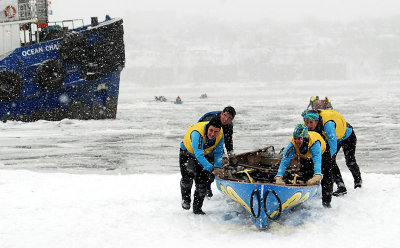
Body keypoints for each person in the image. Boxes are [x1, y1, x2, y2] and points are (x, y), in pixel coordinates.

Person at [302, 110, 362, 197]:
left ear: (317, 121)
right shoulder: (308, 125)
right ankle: (341, 186)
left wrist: (328, 158)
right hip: (335, 138)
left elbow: (332, 144)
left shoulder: (328, 124)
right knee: (330, 161)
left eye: (311, 122)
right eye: (306, 122)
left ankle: (358, 182)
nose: (308, 125)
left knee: (349, 161)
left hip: (348, 136)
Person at [275, 124, 333, 208]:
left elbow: (317, 160)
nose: (297, 141)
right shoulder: (292, 144)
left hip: (323, 154)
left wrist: (317, 175)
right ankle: (305, 201)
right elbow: (285, 160)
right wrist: (279, 176)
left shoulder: (314, 144)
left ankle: (326, 204)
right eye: (295, 138)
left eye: (299, 139)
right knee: (306, 176)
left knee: (326, 179)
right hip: (305, 156)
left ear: (304, 138)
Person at [179, 117, 225, 215]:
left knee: (202, 183)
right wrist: (211, 168)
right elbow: (198, 154)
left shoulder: (221, 134)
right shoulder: (197, 133)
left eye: (215, 132)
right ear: (207, 128)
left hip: (205, 154)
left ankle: (197, 209)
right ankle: (186, 200)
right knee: (187, 178)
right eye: (211, 130)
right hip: (187, 154)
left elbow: (218, 152)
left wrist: (218, 167)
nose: (213, 134)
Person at [198, 106, 236, 198]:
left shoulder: (229, 125)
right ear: (222, 113)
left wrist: (230, 154)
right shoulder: (210, 120)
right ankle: (204, 188)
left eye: (229, 118)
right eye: (225, 116)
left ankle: (209, 184)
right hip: (203, 143)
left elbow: (228, 140)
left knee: (220, 164)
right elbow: (203, 135)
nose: (226, 119)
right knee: (209, 165)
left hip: (217, 144)